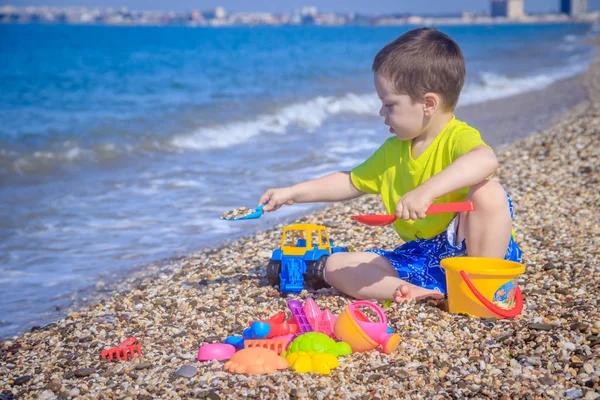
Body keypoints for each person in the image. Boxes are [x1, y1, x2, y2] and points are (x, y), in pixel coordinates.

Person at [258, 27, 522, 303]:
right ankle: (421, 294)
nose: (381, 113)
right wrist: (292, 193)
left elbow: (485, 159)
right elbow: (350, 182)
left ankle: (483, 290)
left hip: (474, 249)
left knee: (489, 193)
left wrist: (427, 191)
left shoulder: (457, 138)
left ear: (428, 103)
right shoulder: (393, 151)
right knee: (335, 265)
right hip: (422, 259)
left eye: (389, 105)